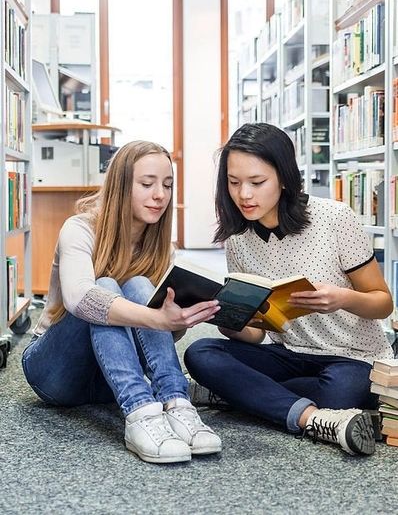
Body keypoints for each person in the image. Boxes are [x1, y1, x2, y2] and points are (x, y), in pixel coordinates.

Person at [185, 122, 394, 456]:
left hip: (352, 358)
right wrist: (229, 319)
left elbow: (383, 303)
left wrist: (342, 298)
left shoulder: (335, 218)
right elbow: (255, 336)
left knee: (341, 392)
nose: (244, 195)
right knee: (200, 353)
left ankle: (241, 394)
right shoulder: (238, 240)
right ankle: (311, 417)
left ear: (283, 178)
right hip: (289, 354)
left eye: (257, 182)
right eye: (234, 182)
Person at [22, 140, 222, 464]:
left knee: (140, 284)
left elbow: (157, 338)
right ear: (120, 185)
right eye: (147, 184)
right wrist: (155, 318)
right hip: (54, 372)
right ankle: (139, 411)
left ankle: (176, 402)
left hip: (110, 377)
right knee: (103, 286)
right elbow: (80, 300)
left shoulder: (159, 247)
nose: (160, 195)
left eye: (167, 185)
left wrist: (178, 320)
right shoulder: (80, 229)